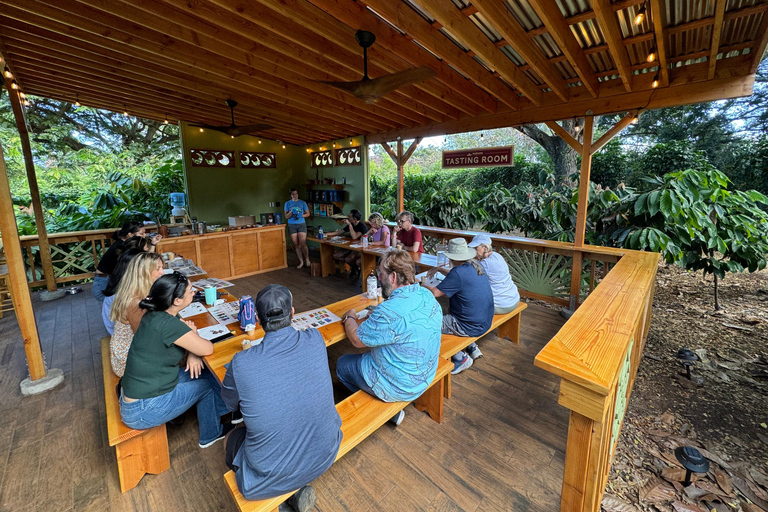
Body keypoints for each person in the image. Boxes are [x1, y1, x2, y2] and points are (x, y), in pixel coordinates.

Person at [221, 285, 341, 509]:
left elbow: (229, 403)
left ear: (257, 318)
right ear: (293, 313)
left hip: (270, 476)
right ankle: (293, 494)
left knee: (231, 439)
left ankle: (284, 496)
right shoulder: (315, 338)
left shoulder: (241, 362)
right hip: (326, 452)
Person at [119, 272, 232, 448]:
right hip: (144, 408)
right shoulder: (168, 324)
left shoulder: (156, 312)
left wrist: (193, 353)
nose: (194, 292)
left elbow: (192, 344)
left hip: (141, 393)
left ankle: (223, 411)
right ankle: (211, 433)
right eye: (190, 290)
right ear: (177, 301)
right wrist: (194, 340)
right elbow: (207, 348)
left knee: (205, 372)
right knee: (209, 386)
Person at [337, 250, 442, 425]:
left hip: (400, 386)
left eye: (381, 273)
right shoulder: (426, 294)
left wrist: (349, 317)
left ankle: (385, 408)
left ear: (393, 277)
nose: (379, 277)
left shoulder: (388, 312)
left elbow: (356, 340)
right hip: (424, 375)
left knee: (342, 365)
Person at [424, 238, 494, 375]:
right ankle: (471, 346)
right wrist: (439, 269)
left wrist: (418, 284)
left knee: (428, 324)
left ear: (451, 257)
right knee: (452, 307)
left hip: (469, 326)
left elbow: (435, 292)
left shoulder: (458, 273)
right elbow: (456, 275)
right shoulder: (476, 265)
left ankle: (460, 358)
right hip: (485, 320)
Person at [108, 252, 164, 377]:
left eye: (162, 268)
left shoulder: (137, 290)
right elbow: (145, 339)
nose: (162, 273)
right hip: (129, 360)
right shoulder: (136, 302)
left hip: (132, 350)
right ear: (143, 272)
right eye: (158, 269)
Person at [93, 221, 162, 301]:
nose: (144, 236)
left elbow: (146, 260)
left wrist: (153, 243)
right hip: (104, 284)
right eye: (141, 233)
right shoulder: (123, 248)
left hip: (110, 282)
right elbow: (145, 263)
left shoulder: (126, 243)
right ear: (130, 234)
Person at [468, 234, 520, 315]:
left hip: (501, 305)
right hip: (514, 298)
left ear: (485, 247)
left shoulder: (486, 263)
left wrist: (441, 269)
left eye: (476, 248)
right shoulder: (497, 255)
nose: (474, 251)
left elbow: (468, 276)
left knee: (466, 298)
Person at [101, 248, 145, 336]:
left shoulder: (122, 281)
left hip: (119, 330)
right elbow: (139, 329)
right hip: (124, 335)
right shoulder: (125, 292)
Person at [326, 209, 369, 279]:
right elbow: (339, 232)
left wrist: (349, 224)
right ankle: (354, 266)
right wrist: (326, 234)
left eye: (350, 216)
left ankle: (355, 268)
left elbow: (354, 237)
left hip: (359, 248)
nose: (348, 218)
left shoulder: (362, 226)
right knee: (336, 255)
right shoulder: (351, 224)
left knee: (348, 259)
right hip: (350, 246)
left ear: (354, 219)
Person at [284, 188, 310, 269]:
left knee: (303, 243)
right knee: (296, 244)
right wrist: (291, 211)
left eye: (296, 193)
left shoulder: (302, 203)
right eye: (293, 194)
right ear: (290, 195)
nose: (295, 195)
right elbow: (286, 216)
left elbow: (308, 214)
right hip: (292, 225)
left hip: (301, 224)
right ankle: (301, 261)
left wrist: (301, 215)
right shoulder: (287, 203)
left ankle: (307, 258)